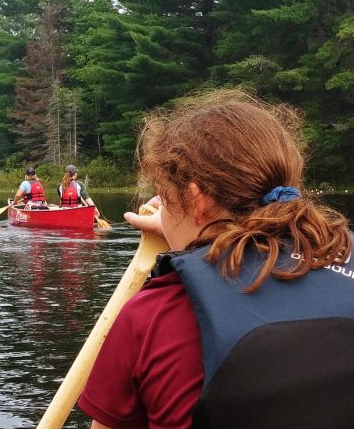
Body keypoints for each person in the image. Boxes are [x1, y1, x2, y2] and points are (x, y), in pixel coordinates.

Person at [77, 89, 354, 429]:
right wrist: (191, 236)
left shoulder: (151, 317)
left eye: (164, 198)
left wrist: (188, 246)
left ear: (196, 199)